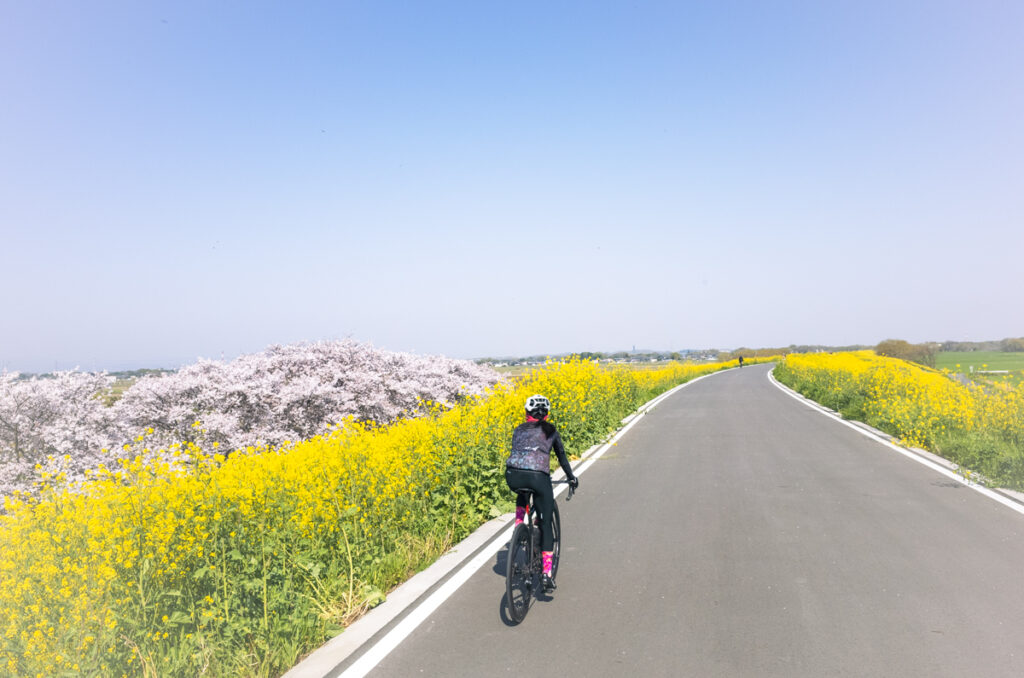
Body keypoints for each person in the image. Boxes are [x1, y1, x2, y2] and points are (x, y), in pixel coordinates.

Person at [505, 394, 579, 592]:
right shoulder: (550, 430)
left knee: (522, 487)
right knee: (546, 524)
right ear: (546, 414)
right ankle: (546, 574)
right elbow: (562, 457)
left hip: (512, 475)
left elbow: (520, 455)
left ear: (527, 412)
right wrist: (571, 477)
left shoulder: (518, 429)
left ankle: (519, 524)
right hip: (538, 478)